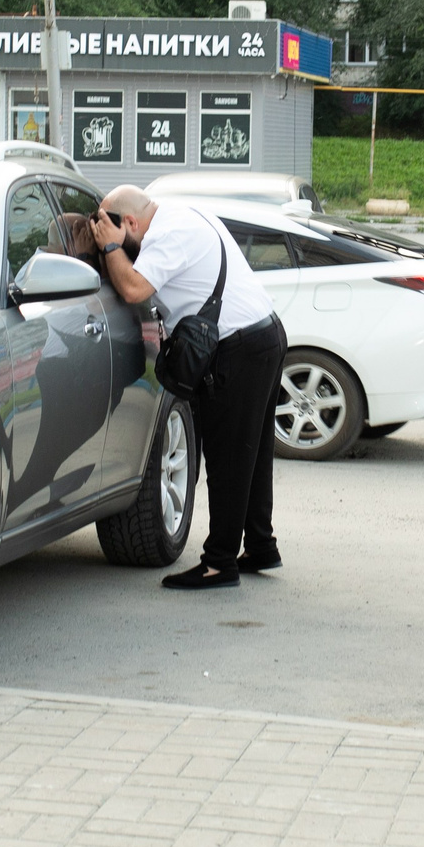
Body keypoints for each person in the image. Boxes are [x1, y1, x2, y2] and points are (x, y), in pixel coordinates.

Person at [91, 185, 284, 589]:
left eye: (111, 227)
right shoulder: (183, 213)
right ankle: (261, 545)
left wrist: (111, 250)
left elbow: (132, 289)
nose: (106, 233)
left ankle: (219, 563)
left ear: (130, 222)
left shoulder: (165, 237)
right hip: (265, 333)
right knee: (253, 452)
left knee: (228, 458)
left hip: (239, 346)